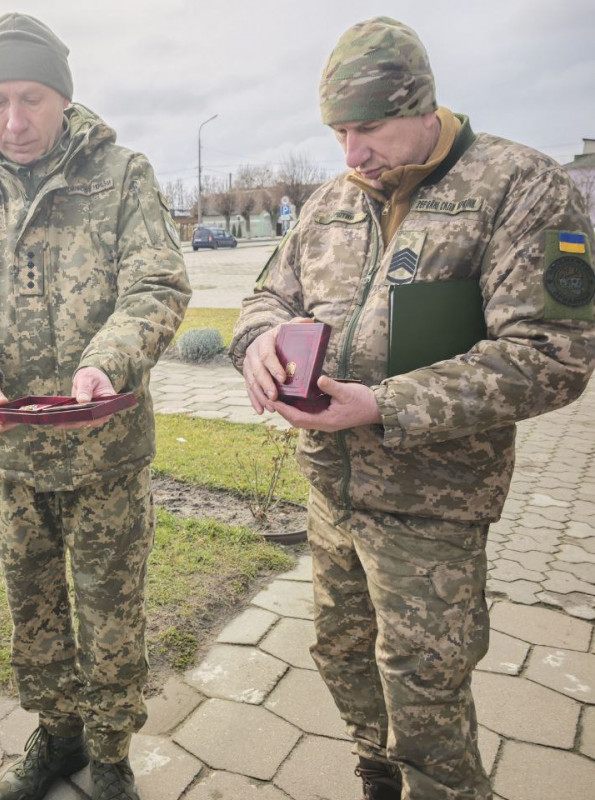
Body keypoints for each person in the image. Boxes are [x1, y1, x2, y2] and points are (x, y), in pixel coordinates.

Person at [230, 17, 595, 800]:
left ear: (422, 106)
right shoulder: (332, 201)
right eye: (337, 132)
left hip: (434, 504)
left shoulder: (520, 186)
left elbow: (552, 356)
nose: (351, 153)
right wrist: (257, 341)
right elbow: (268, 293)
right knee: (340, 652)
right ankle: (376, 771)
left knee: (424, 685)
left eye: (367, 128)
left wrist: (380, 405)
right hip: (332, 491)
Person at [0, 13, 190, 800]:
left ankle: (108, 753)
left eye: (29, 98)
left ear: (62, 96)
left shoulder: (121, 173)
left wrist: (107, 360)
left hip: (106, 447)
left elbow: (156, 282)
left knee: (110, 610)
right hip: (11, 452)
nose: (12, 120)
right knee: (33, 608)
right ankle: (56, 736)